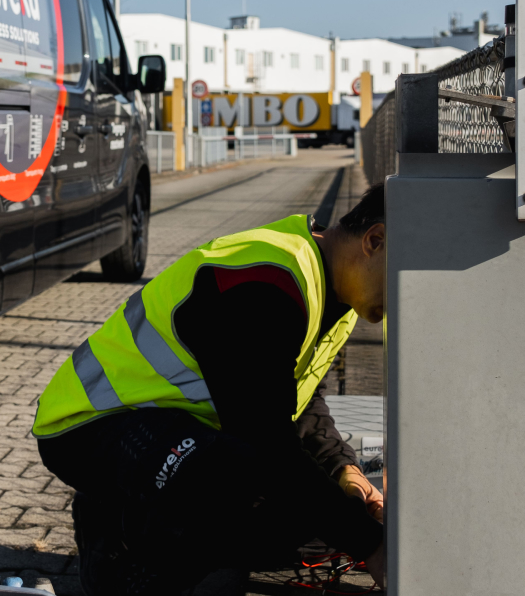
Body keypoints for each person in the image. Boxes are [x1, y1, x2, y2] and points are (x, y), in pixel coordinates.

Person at [32, 184, 389, 595]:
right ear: (374, 241)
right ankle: (116, 549)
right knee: (249, 478)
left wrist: (345, 469)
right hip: (91, 425)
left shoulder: (339, 291)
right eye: (404, 277)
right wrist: (372, 544)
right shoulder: (267, 282)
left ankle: (133, 510)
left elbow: (304, 401)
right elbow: (268, 443)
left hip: (167, 423)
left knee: (301, 509)